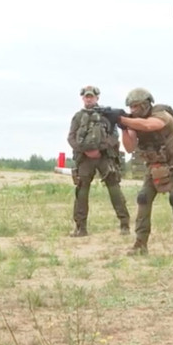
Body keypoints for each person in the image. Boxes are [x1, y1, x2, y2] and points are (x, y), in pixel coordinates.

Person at [117, 88, 173, 257]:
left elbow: (151, 125)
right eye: (131, 107)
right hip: (154, 165)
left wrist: (123, 119)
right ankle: (140, 244)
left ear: (146, 104)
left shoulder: (161, 113)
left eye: (136, 106)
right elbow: (129, 147)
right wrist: (123, 127)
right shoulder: (134, 121)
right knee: (143, 198)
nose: (133, 110)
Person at [66, 85, 131, 236]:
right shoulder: (77, 117)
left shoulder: (107, 115)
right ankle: (80, 227)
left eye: (91, 96)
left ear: (97, 98)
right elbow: (71, 137)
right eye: (86, 96)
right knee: (81, 191)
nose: (89, 99)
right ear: (82, 98)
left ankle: (124, 224)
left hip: (104, 157)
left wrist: (99, 149)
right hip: (85, 159)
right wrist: (85, 151)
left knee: (114, 188)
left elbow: (114, 137)